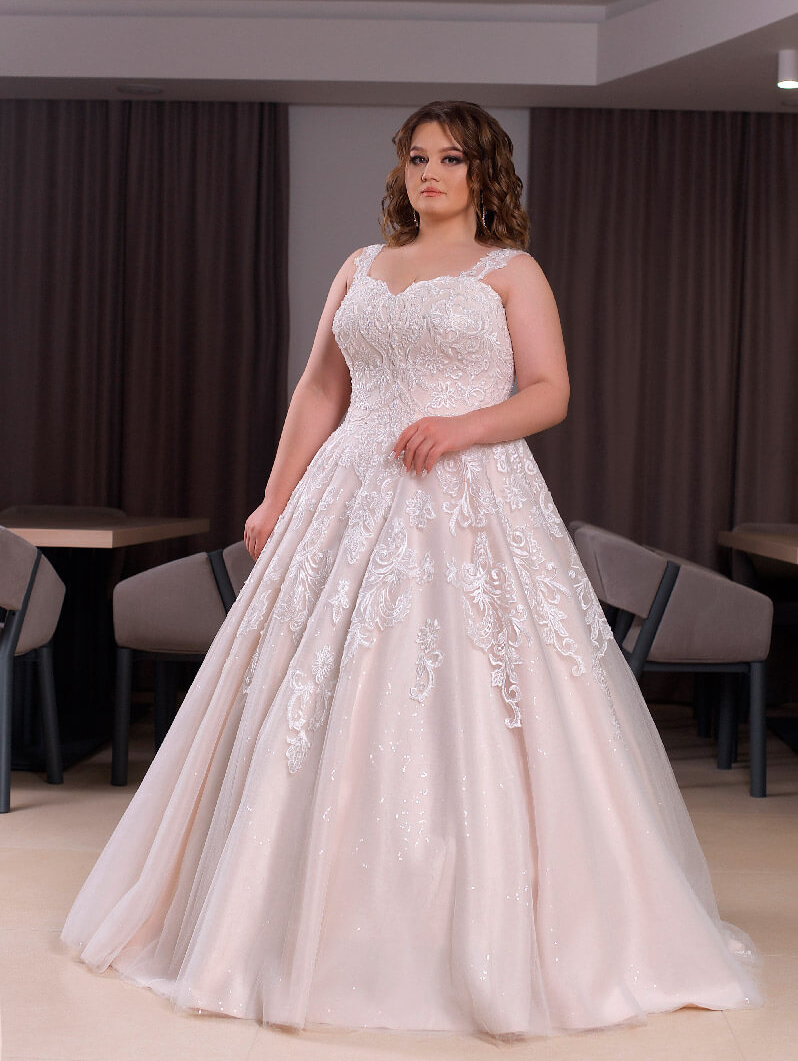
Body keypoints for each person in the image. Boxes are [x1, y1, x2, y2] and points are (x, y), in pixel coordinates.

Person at [61, 101, 762, 1039]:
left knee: (472, 696)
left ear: (482, 173)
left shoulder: (511, 271)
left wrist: (462, 427)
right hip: (348, 491)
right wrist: (274, 496)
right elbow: (321, 387)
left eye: (451, 158)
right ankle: (281, 922)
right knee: (316, 694)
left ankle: (488, 935)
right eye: (417, 157)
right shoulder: (360, 266)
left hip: (466, 500)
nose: (430, 173)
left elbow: (550, 392)